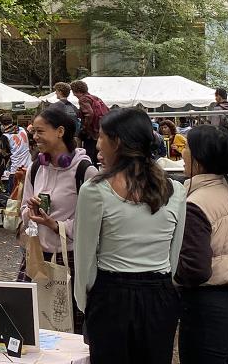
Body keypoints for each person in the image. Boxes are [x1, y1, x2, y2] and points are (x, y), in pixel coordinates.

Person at [74, 108, 186, 364]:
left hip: (111, 296)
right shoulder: (175, 190)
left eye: (101, 136)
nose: (98, 143)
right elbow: (174, 254)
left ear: (118, 142)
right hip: (160, 294)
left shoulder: (95, 190)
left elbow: (85, 257)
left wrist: (86, 303)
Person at [175, 125, 228, 364]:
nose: (182, 152)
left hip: (205, 314)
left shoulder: (196, 203)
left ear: (199, 157)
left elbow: (195, 269)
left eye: (186, 146)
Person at [18, 108, 98, 333]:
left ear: (60, 131)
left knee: (67, 323)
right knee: (32, 320)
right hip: (36, 255)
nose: (35, 137)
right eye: (34, 132)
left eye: (40, 131)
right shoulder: (35, 168)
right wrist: (31, 213)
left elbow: (90, 224)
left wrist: (54, 225)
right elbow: (24, 209)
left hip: (71, 258)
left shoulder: (85, 172)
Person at [70, 80, 109, 165]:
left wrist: (85, 127)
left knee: (89, 155)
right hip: (99, 130)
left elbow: (89, 113)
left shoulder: (83, 99)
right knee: (97, 155)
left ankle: (89, 172)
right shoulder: (94, 97)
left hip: (91, 133)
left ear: (77, 91)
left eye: (73, 92)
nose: (74, 95)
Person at [0, 114, 31, 194]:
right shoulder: (22, 130)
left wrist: (0, 173)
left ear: (2, 124)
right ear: (12, 121)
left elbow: (4, 155)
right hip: (28, 166)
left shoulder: (5, 136)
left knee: (13, 195)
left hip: (15, 168)